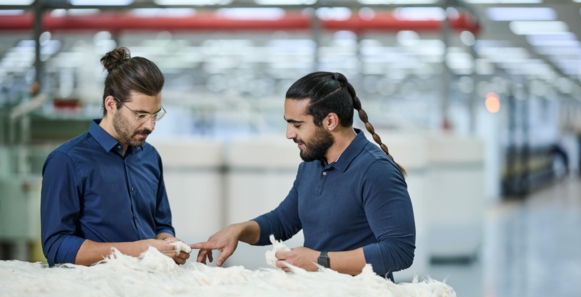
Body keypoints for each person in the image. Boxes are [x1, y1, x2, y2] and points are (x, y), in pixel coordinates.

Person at [191, 72, 415, 281]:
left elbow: (398, 251)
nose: (289, 134)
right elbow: (283, 221)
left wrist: (319, 260)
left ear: (330, 121)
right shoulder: (312, 165)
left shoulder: (376, 171)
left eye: (297, 125)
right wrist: (238, 230)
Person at [40, 47, 189, 267]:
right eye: (140, 115)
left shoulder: (150, 156)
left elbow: (161, 225)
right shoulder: (66, 161)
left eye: (155, 115)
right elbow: (56, 247)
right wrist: (139, 250)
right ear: (111, 105)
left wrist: (168, 243)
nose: (150, 126)